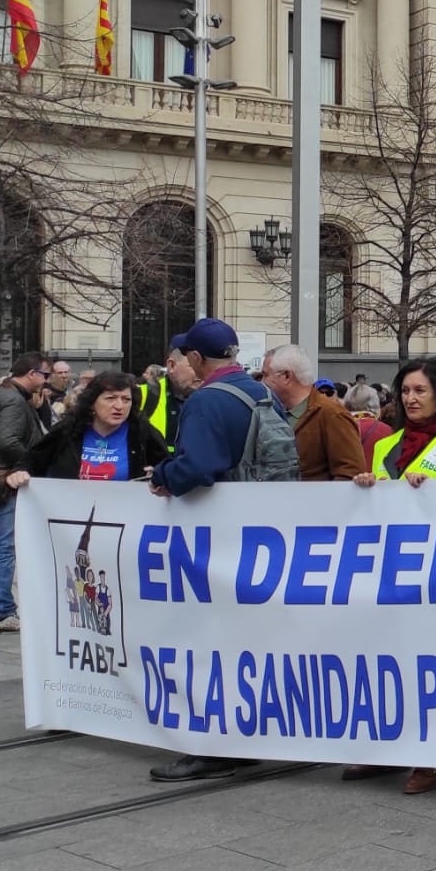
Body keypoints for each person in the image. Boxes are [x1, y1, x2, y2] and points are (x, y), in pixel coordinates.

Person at [145, 321, 292, 783]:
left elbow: (200, 466)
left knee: (209, 640)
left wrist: (165, 474)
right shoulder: (260, 392)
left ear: (195, 358)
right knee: (242, 641)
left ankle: (212, 745)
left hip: (220, 537)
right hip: (260, 532)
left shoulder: (209, 400)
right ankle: (241, 739)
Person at [342, 357, 436, 794]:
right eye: (405, 390)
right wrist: (368, 488)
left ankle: (433, 757)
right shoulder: (387, 445)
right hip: (392, 567)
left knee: (431, 664)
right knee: (388, 659)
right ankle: (387, 748)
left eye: (420, 391)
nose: (410, 398)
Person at [0, 352, 46, 634]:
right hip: (7, 477)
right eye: (44, 375)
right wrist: (33, 459)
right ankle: (0, 611)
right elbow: (7, 439)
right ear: (31, 374)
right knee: (4, 544)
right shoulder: (14, 399)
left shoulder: (1, 395)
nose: (45, 381)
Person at [4, 371, 166, 488]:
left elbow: (167, 466)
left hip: (126, 520)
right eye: (110, 398)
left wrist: (159, 474)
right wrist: (20, 472)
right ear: (92, 402)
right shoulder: (68, 429)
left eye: (126, 399)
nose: (119, 406)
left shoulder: (141, 431)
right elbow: (32, 460)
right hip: (71, 522)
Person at [262, 346, 364, 483]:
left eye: (266, 375)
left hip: (314, 503)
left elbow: (350, 473)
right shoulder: (273, 413)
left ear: (287, 376)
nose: (262, 382)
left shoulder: (332, 415)